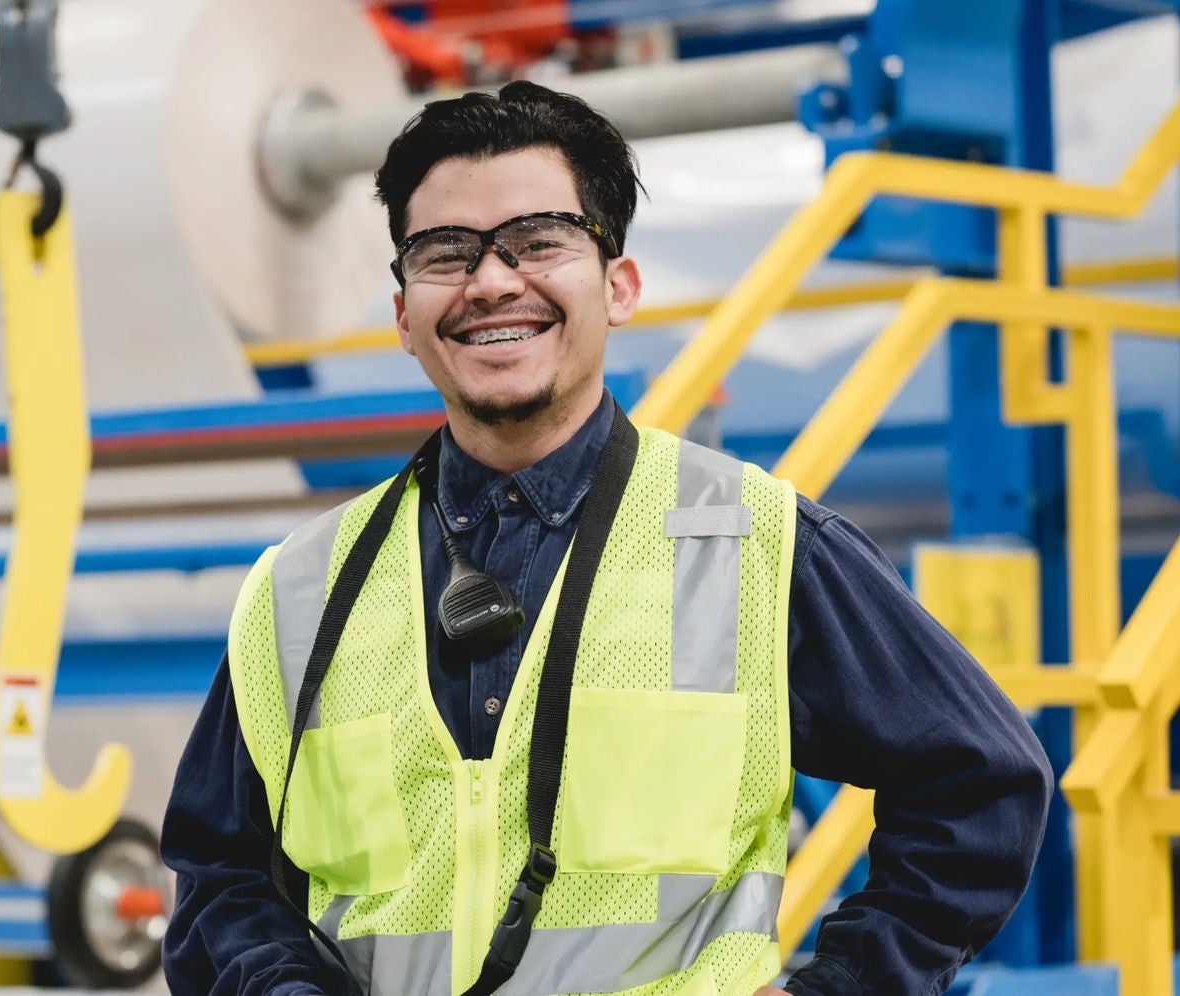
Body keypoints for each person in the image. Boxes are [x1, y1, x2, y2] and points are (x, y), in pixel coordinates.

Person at [159, 80, 1053, 996]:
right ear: (403, 315)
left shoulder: (750, 545)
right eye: (445, 254)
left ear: (618, 286)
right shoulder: (302, 588)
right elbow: (220, 875)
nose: (492, 280)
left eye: (538, 242)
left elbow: (981, 782)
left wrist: (846, 985)